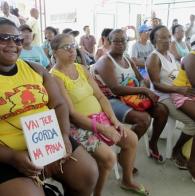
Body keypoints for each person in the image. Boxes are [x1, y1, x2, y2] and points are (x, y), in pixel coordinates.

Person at [0, 17, 98, 196]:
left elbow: (59, 104)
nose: (12, 44)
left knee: (87, 173)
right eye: (4, 38)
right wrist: (12, 157)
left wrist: (64, 135)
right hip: (8, 153)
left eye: (17, 39)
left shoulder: (36, 69)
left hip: (50, 139)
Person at [50, 33, 149, 196]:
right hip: (77, 126)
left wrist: (114, 120)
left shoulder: (81, 69)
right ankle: (97, 193)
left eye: (73, 45)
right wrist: (103, 129)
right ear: (54, 52)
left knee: (130, 139)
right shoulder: (55, 76)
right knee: (109, 158)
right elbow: (72, 114)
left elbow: (101, 97)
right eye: (66, 47)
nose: (72, 50)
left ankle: (127, 180)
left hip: (100, 119)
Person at [94, 29, 169, 163]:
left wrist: (147, 84)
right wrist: (143, 91)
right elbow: (115, 89)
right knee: (143, 119)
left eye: (123, 40)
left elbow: (140, 78)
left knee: (162, 110)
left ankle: (153, 143)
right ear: (109, 42)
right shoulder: (105, 61)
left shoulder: (127, 59)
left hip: (132, 97)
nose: (120, 43)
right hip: (112, 100)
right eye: (116, 41)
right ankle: (124, 154)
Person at [146, 25, 195, 170]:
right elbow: (155, 84)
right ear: (154, 40)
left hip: (177, 93)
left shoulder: (171, 56)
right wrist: (178, 89)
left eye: (168, 37)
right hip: (163, 97)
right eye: (162, 38)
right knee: (193, 123)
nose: (167, 40)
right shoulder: (153, 57)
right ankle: (176, 151)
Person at [171, 34, 195, 181]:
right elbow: (194, 82)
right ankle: (193, 164)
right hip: (182, 94)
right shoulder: (191, 57)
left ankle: (179, 149)